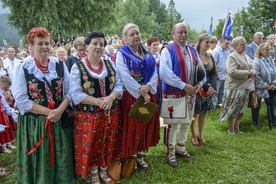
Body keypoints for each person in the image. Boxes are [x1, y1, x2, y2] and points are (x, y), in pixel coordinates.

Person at [13, 27, 75, 183]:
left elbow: (69, 92)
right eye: (39, 43)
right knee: (41, 155)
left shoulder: (59, 65)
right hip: (35, 123)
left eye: (47, 43)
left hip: (58, 120)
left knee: (60, 154)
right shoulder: (23, 67)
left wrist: (59, 111)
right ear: (31, 47)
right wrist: (50, 112)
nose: (44, 47)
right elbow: (21, 100)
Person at [70, 31, 123, 184]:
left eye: (101, 44)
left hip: (110, 114)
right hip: (88, 116)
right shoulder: (78, 67)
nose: (98, 47)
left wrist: (111, 97)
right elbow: (75, 94)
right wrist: (99, 102)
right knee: (92, 144)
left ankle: (104, 171)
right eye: (94, 43)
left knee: (108, 141)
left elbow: (119, 85)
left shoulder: (109, 64)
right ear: (87, 46)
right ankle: (94, 174)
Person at [116, 23, 160, 171]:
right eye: (132, 34)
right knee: (132, 127)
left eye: (137, 33)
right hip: (132, 97)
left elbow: (155, 71)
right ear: (125, 38)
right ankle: (130, 157)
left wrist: (149, 86)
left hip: (147, 95)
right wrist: (141, 91)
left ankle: (141, 155)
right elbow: (124, 76)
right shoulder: (122, 53)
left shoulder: (147, 52)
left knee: (144, 125)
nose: (136, 36)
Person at [159, 22, 203, 167]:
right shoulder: (168, 50)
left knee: (186, 122)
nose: (183, 35)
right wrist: (184, 86)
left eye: (185, 32)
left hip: (191, 94)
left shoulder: (192, 51)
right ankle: (170, 153)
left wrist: (198, 85)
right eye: (180, 32)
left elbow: (200, 70)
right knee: (173, 124)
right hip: (174, 93)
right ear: (173, 34)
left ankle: (181, 148)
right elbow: (164, 73)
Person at [219, 36, 255, 134]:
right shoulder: (232, 56)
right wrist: (248, 73)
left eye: (245, 44)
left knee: (241, 108)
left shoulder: (246, 56)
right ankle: (231, 129)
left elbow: (252, 66)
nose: (244, 46)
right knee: (233, 108)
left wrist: (253, 71)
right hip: (234, 87)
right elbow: (232, 72)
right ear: (235, 46)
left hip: (245, 86)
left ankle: (237, 128)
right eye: (242, 44)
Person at [190, 33, 217, 147]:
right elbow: (194, 75)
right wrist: (205, 86)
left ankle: (200, 134)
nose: (208, 44)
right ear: (200, 42)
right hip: (196, 89)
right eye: (206, 42)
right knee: (194, 113)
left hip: (207, 90)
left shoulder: (210, 57)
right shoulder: (193, 56)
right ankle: (192, 135)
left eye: (210, 42)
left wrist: (212, 87)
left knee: (204, 113)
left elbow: (213, 74)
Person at [251, 42, 276, 128]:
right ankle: (255, 121)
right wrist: (264, 85)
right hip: (259, 87)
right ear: (260, 51)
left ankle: (273, 120)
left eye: (269, 49)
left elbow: (274, 73)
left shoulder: (270, 60)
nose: (268, 51)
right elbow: (256, 76)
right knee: (257, 104)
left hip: (271, 86)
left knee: (273, 103)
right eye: (266, 49)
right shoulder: (256, 61)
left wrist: (273, 83)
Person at [212, 36, 231, 107]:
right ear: (221, 42)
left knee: (222, 91)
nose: (228, 45)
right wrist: (216, 75)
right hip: (218, 74)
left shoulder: (227, 51)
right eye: (226, 43)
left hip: (225, 74)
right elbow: (214, 64)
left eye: (229, 44)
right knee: (215, 91)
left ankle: (220, 103)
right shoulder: (216, 51)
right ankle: (213, 106)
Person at [0, 80, 17, 154]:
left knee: (7, 127)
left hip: (2, 112)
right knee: (1, 131)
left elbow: (3, 102)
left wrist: (11, 111)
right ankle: (3, 147)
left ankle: (8, 143)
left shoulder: (1, 92)